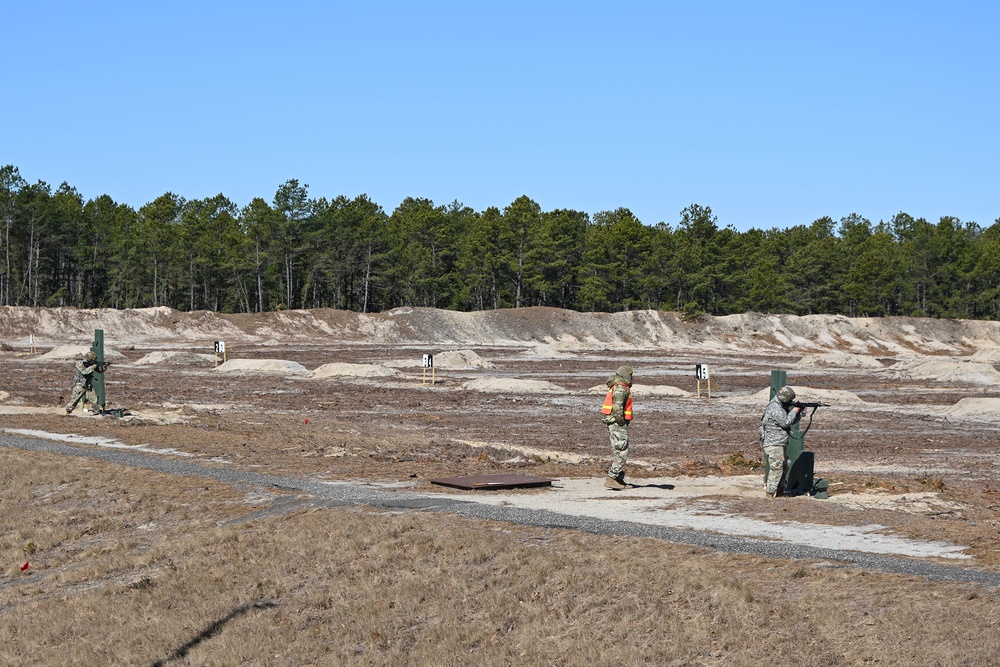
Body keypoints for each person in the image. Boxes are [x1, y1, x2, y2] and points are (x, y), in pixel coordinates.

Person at [758, 385, 803, 497]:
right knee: (777, 468)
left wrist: (798, 413)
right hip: (774, 443)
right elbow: (785, 423)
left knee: (784, 466)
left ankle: (780, 490)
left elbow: (790, 422)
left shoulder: (779, 406)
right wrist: (795, 410)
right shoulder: (776, 408)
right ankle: (770, 493)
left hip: (779, 442)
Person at [600, 365, 634, 489]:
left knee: (618, 449)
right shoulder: (621, 387)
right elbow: (617, 408)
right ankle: (612, 477)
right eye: (630, 375)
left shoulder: (620, 386)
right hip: (617, 422)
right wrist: (621, 423)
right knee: (622, 450)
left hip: (615, 422)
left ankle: (618, 478)